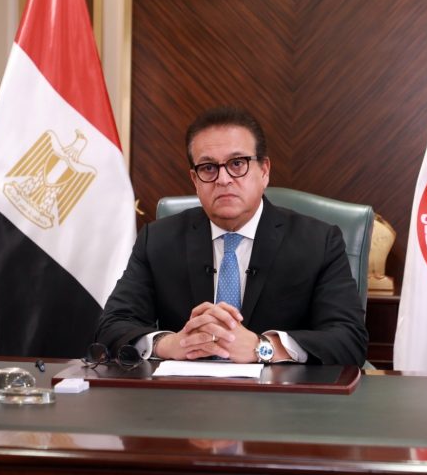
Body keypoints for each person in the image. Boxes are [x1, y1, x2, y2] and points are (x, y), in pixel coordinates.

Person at [95, 106, 368, 365]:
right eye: (208, 168)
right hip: (185, 393)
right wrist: (169, 344)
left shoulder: (318, 242)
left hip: (280, 395)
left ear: (264, 171)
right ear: (195, 180)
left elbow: (350, 340)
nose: (223, 179)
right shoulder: (158, 240)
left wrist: (263, 347)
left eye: (237, 164)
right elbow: (111, 326)